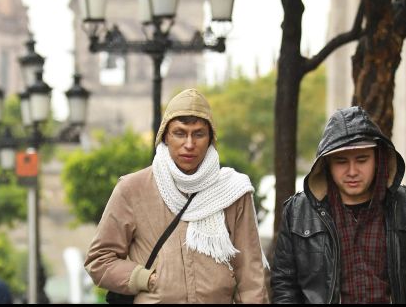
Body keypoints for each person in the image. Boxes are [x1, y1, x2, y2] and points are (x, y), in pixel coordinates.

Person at [84, 88, 269, 303]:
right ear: (165, 136)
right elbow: (99, 260)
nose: (189, 144)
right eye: (180, 133)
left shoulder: (233, 191)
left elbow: (250, 272)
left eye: (199, 134)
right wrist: (147, 279)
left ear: (210, 139)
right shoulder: (133, 189)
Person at [271, 105, 406, 304]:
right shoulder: (299, 211)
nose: (352, 171)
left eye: (362, 160)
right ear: (327, 164)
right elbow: (284, 286)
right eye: (341, 161)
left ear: (378, 160)